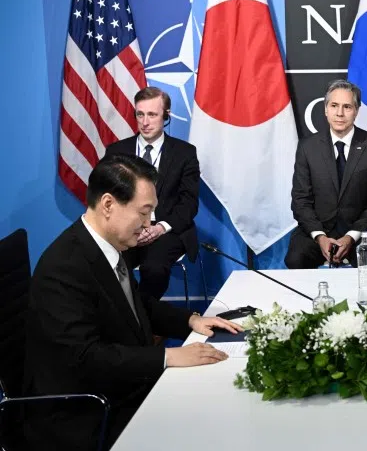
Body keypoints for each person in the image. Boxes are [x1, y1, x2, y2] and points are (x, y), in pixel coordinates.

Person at [23, 154, 241, 450]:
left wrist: (190, 320)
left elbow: (135, 305)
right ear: (109, 205)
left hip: (122, 385)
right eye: (144, 212)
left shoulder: (109, 245)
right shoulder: (65, 266)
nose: (149, 223)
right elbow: (85, 358)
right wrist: (168, 357)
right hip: (88, 410)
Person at [104, 86, 200, 299]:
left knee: (154, 269)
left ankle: (146, 319)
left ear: (166, 116)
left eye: (152, 114)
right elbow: (105, 196)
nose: (145, 122)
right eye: (140, 114)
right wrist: (128, 226)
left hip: (165, 231)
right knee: (111, 267)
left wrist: (159, 229)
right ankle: (135, 317)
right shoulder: (116, 152)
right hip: (126, 230)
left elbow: (189, 203)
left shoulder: (185, 153)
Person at [286, 79, 367, 268]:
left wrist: (351, 237)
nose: (340, 113)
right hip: (319, 230)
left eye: (347, 107)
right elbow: (300, 201)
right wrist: (320, 237)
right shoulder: (307, 147)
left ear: (356, 111)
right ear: (326, 109)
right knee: (296, 258)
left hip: (361, 231)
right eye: (334, 105)